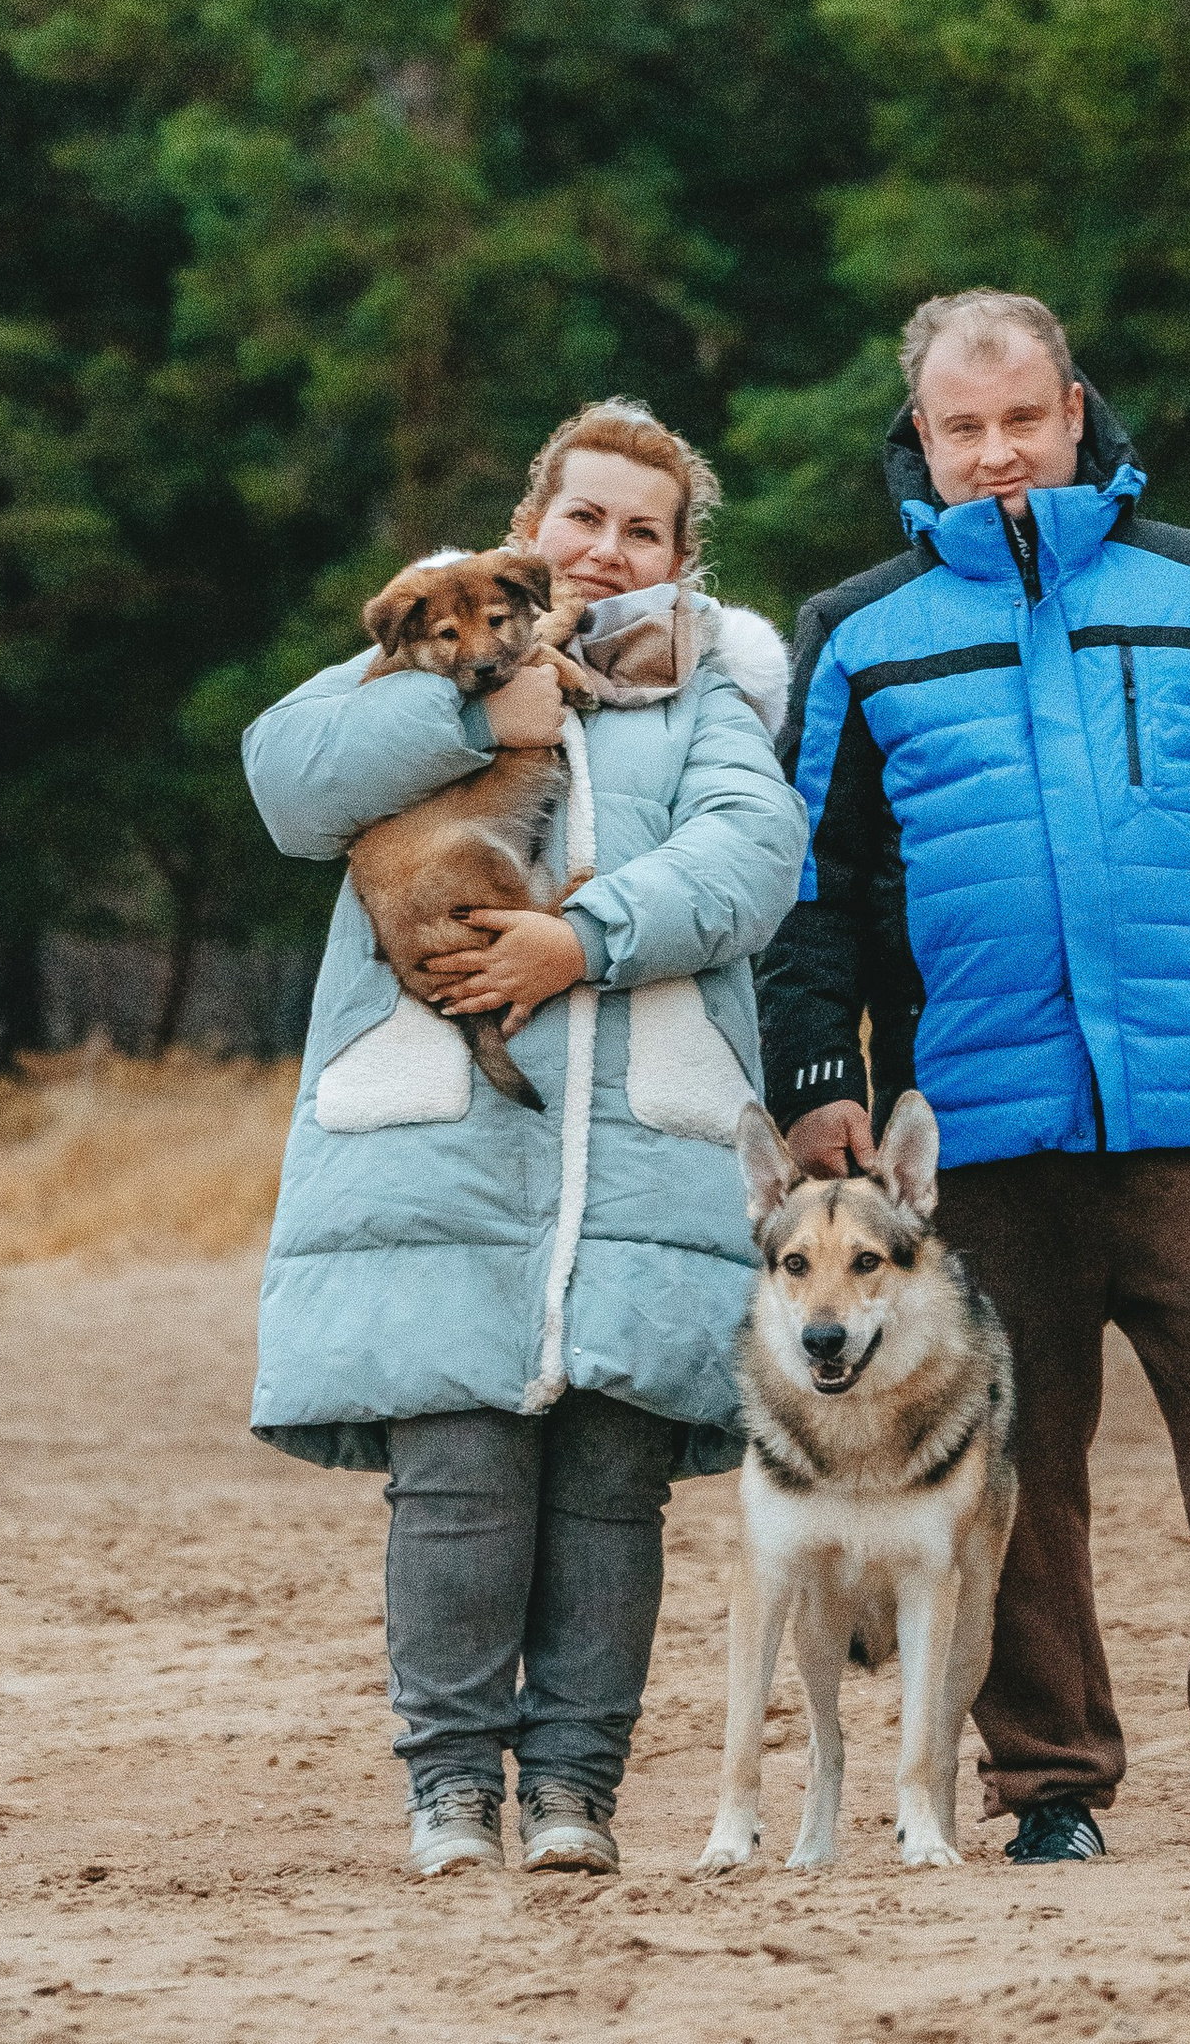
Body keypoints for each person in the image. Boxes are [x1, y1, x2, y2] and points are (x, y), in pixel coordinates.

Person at [755, 291, 1190, 1867]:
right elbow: (816, 890)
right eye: (962, 428)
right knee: (1015, 1466)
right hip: (976, 1135)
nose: (998, 454)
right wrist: (815, 1073)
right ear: (919, 441)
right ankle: (1049, 1790)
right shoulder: (855, 635)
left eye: (1022, 419)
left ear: (1076, 411)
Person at [243, 401, 804, 1879]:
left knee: (610, 1484)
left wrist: (584, 939)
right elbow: (284, 780)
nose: (606, 549)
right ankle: (448, 1790)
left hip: (640, 1155)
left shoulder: (707, 703)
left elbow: (755, 860)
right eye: (583, 518)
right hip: (438, 1149)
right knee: (457, 1475)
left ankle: (572, 1787)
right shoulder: (416, 658)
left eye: (642, 528)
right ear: (527, 527)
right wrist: (464, 718)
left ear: (684, 557)